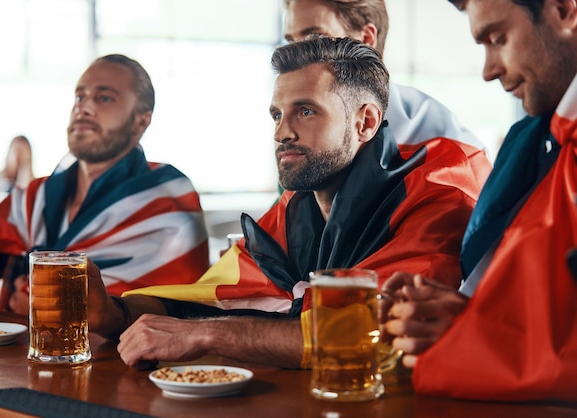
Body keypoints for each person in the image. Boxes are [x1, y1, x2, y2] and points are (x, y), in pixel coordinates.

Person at [87, 36, 492, 370]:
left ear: (366, 122)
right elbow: (208, 300)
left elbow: (371, 336)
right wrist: (113, 314)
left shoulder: (435, 192)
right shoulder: (297, 205)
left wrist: (205, 336)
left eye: (306, 111)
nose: (282, 132)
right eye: (277, 114)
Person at [380, 0, 577, 402]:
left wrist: (473, 338)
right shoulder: (536, 141)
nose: (489, 70)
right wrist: (458, 313)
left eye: (498, 38)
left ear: (563, 10)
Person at [0, 54, 210, 313]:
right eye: (80, 96)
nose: (83, 107)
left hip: (112, 354)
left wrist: (37, 298)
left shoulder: (167, 202)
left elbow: (169, 312)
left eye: (104, 97)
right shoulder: (34, 197)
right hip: (9, 353)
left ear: (141, 120)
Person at [283, 0, 487, 154]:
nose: (297, 57)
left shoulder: (447, 145)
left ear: (366, 39)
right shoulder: (296, 135)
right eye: (291, 42)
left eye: (316, 39)